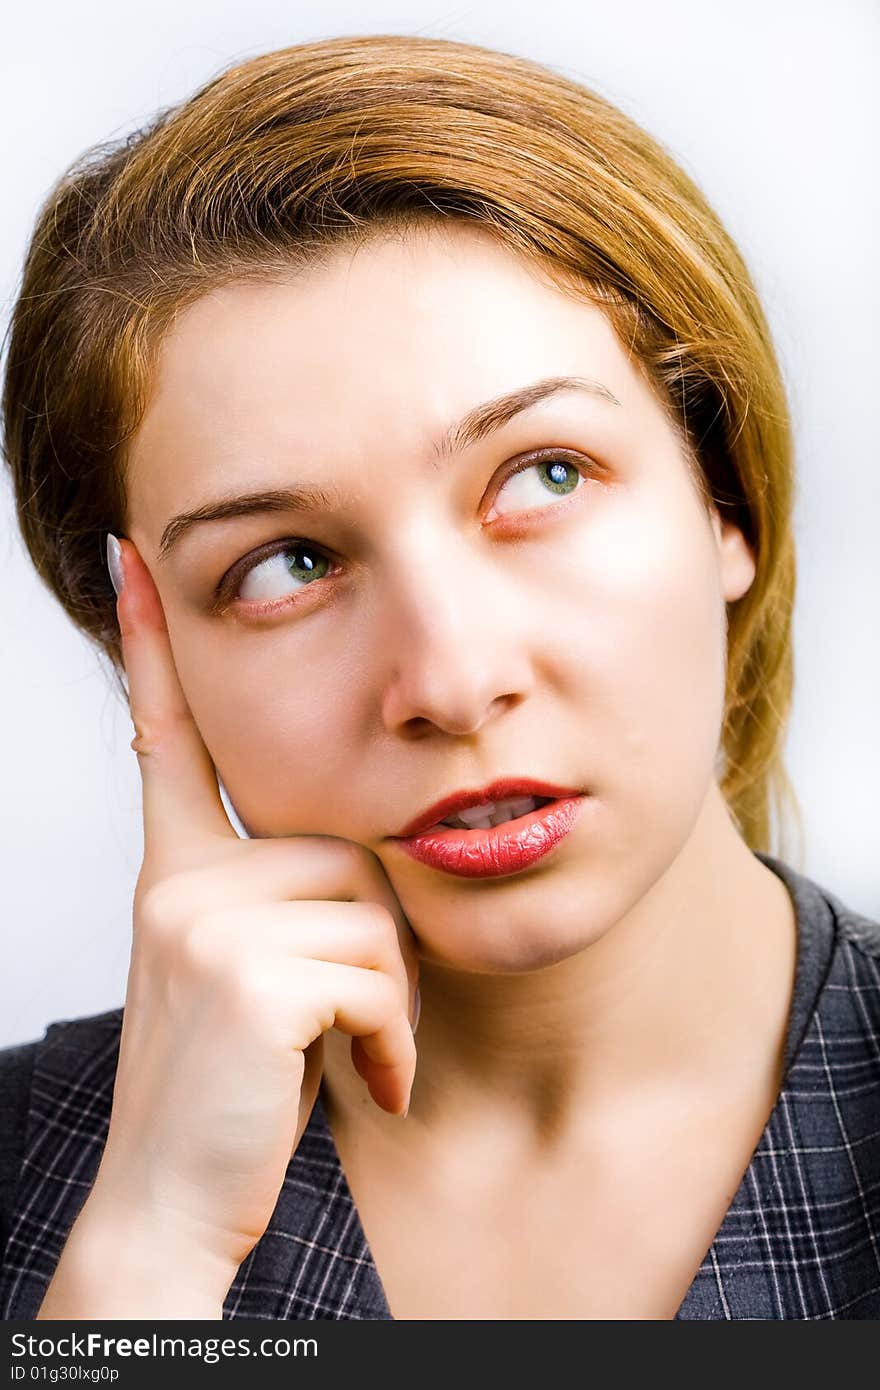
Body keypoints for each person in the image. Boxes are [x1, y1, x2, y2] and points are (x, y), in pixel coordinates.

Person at [0, 33, 877, 1322]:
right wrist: (149, 1254)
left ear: (724, 501)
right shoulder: (49, 1187)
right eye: (287, 564)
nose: (453, 684)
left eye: (544, 477)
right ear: (151, 655)